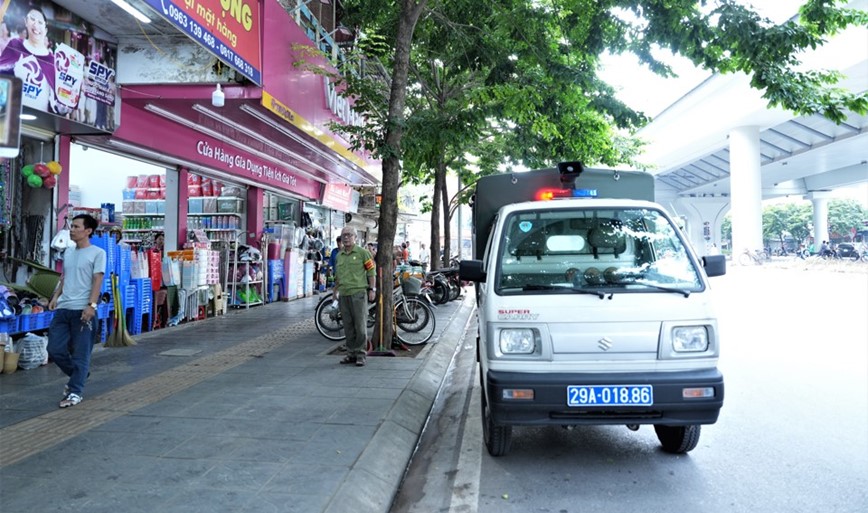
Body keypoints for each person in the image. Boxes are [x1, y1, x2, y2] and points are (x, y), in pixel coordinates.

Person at [47, 214, 107, 408]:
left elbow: (98, 279)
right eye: (71, 226)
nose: (71, 230)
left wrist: (92, 305)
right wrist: (56, 297)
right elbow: (65, 277)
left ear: (88, 231)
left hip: (83, 310)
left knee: (81, 354)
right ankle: (79, 374)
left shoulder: (98, 253)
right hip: (64, 308)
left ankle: (75, 392)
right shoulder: (69, 252)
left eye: (76, 226)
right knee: (54, 349)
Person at [0, 8, 64, 114]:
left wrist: (63, 106)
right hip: (10, 115)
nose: (36, 24)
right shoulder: (15, 45)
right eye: (32, 19)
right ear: (26, 22)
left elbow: (57, 101)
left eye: (40, 22)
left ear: (45, 30)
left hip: (40, 123)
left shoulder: (53, 62)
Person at [332, 227, 375, 366]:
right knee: (348, 326)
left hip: (358, 294)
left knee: (360, 326)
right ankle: (351, 353)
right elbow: (338, 276)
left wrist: (372, 289)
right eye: (343, 235)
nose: (346, 238)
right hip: (344, 294)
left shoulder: (363, 253)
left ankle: (361, 354)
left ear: (355, 237)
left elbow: (371, 271)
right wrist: (335, 293)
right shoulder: (339, 256)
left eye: (349, 235)